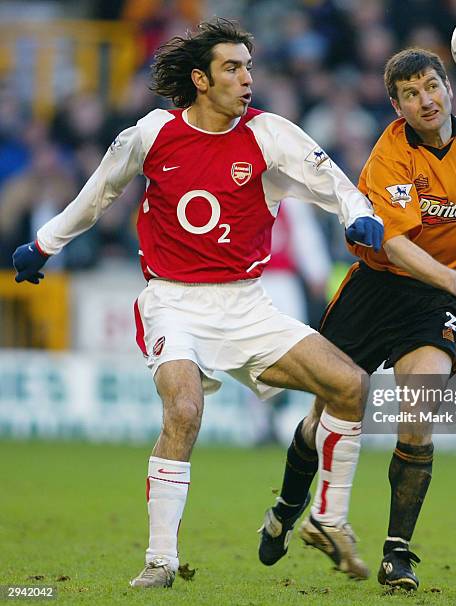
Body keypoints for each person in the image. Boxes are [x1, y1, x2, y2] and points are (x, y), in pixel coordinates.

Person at [12, 18, 384, 588]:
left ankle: (327, 519)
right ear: (201, 80)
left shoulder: (269, 133)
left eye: (249, 68)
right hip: (173, 301)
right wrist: (45, 243)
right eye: (232, 68)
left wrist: (360, 215)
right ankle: (160, 560)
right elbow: (99, 191)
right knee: (184, 411)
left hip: (247, 304)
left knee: (351, 387)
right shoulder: (152, 133)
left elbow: (331, 178)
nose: (246, 79)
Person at [259, 48, 456, 591]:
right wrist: (453, 278)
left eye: (431, 87)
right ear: (396, 104)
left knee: (419, 405)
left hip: (436, 305)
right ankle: (288, 508)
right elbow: (398, 244)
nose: (425, 100)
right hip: (376, 290)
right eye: (410, 94)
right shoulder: (388, 156)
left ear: (449, 85)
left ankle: (396, 553)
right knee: (324, 415)